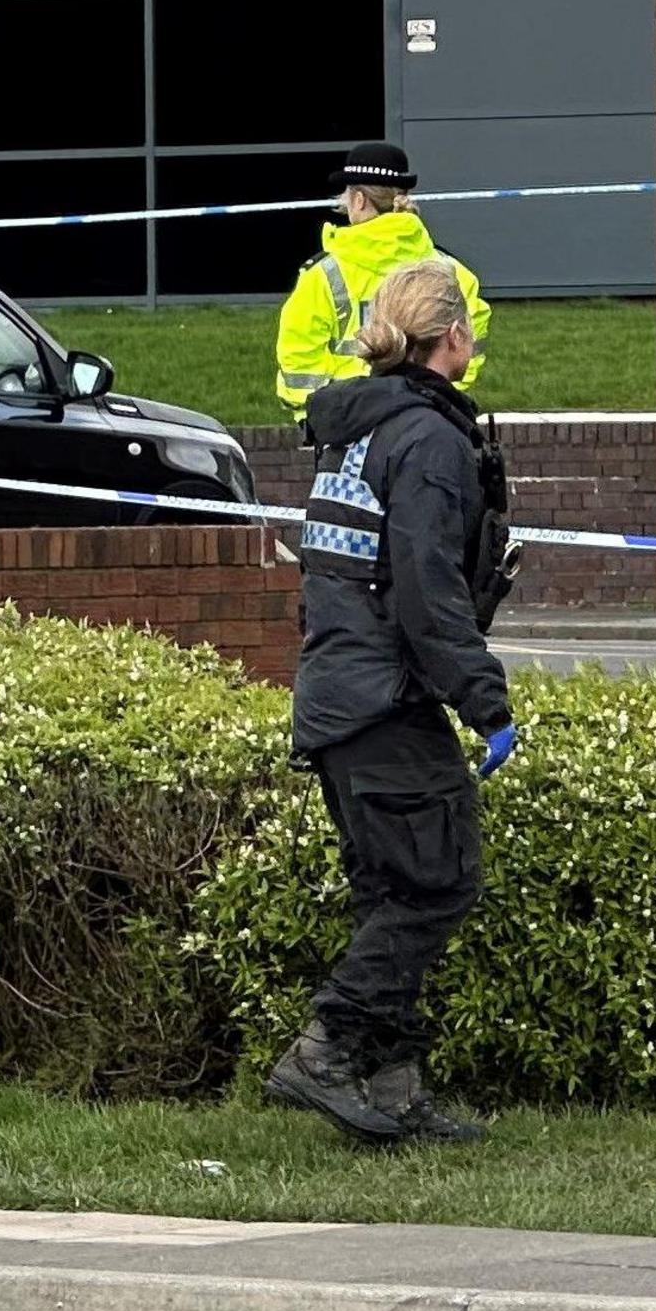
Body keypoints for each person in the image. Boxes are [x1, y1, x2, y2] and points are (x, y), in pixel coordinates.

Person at [264, 255, 520, 1145]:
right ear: (454, 335)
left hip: (338, 693)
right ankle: (327, 1048)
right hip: (382, 701)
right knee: (439, 882)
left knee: (391, 891)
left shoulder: (356, 428)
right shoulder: (431, 442)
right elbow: (423, 589)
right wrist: (485, 700)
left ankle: (395, 1086)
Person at [272, 141, 493, 417]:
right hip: (429, 417)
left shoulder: (322, 276)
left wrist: (325, 416)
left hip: (346, 427)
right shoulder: (454, 272)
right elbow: (470, 344)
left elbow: (298, 367)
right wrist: (442, 391)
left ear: (359, 200)